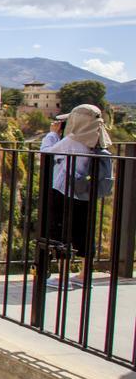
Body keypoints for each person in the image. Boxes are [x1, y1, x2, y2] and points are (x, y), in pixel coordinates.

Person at [40, 104, 114, 286]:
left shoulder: (73, 140)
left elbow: (46, 152)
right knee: (85, 232)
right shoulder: (98, 138)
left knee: (62, 231)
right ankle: (84, 275)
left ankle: (63, 277)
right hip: (86, 191)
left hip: (65, 190)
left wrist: (52, 134)